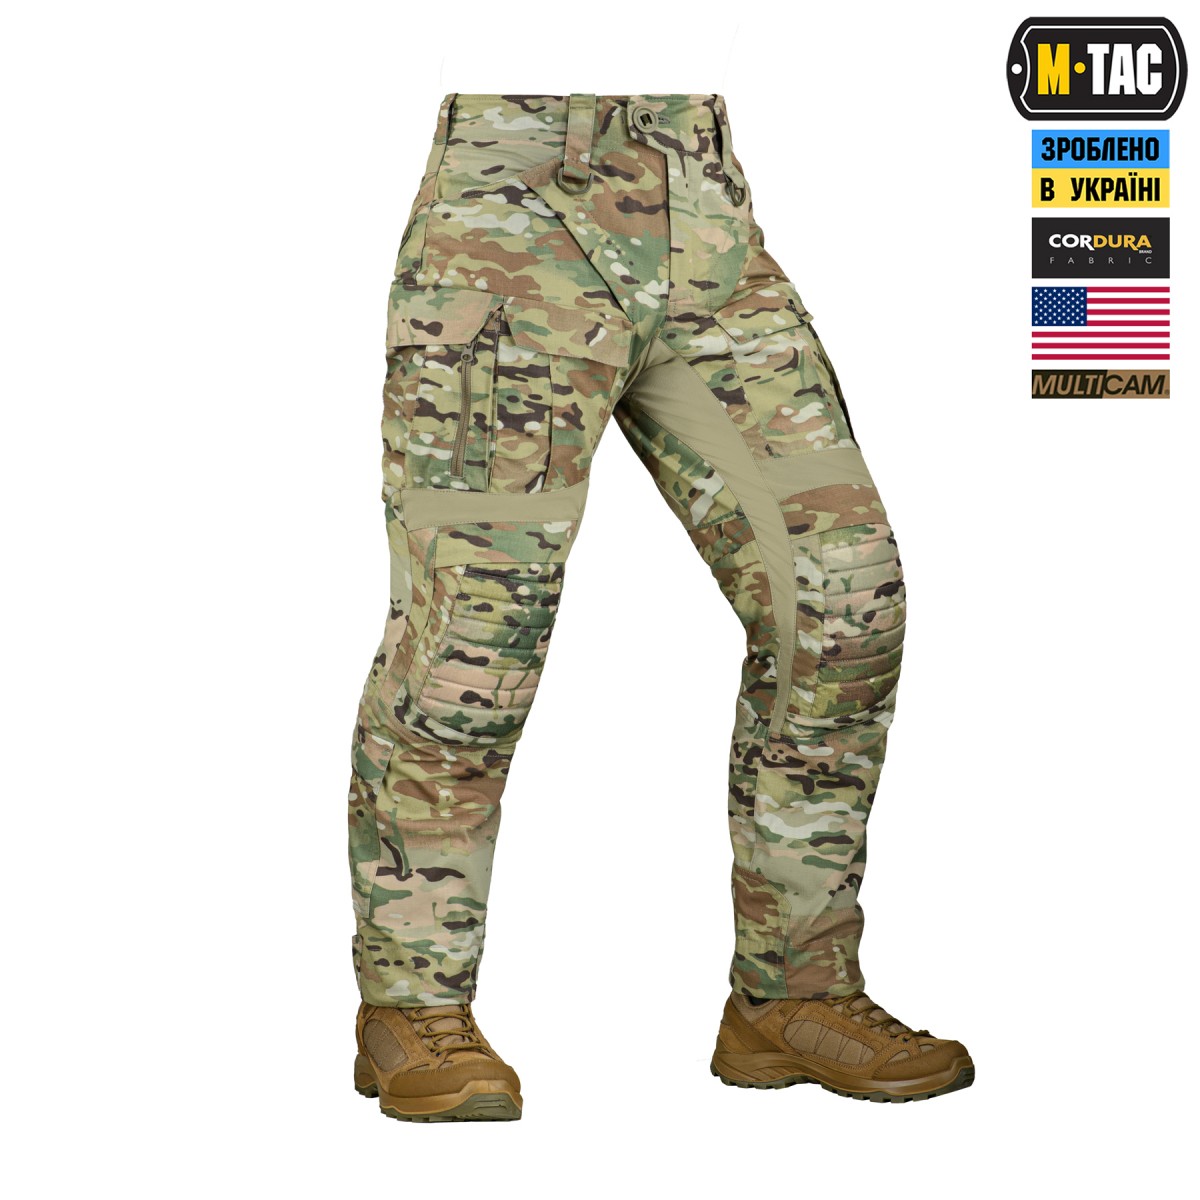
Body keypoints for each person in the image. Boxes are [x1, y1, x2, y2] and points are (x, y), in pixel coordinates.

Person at [347, 93, 973, 1121]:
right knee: (473, 640)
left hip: (704, 221)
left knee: (842, 593)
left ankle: (792, 992)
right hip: (511, 226)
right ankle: (411, 1005)